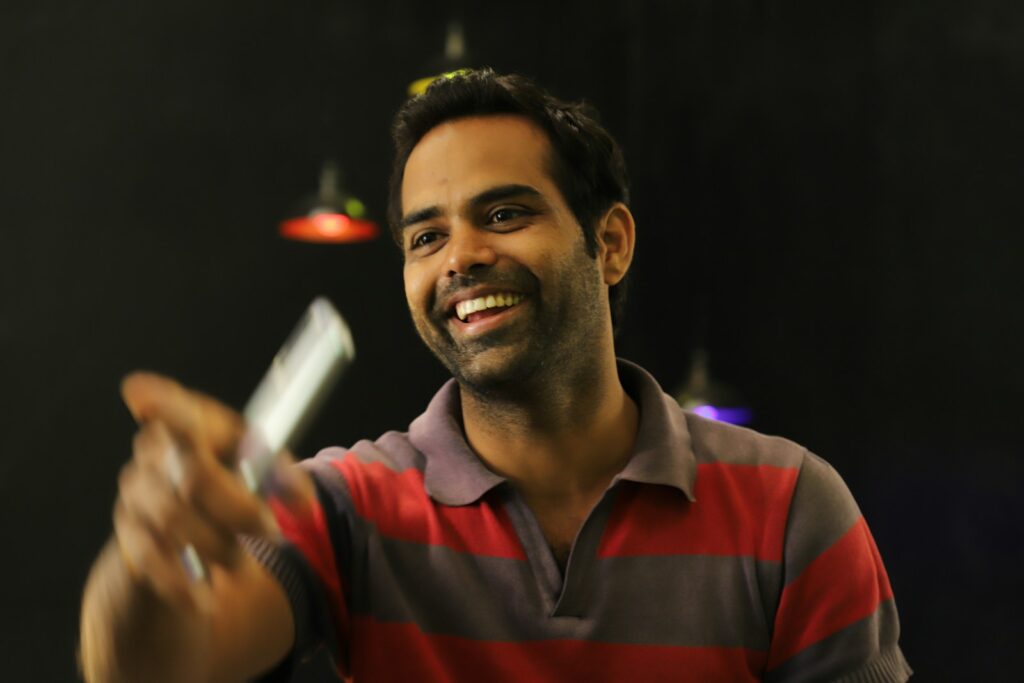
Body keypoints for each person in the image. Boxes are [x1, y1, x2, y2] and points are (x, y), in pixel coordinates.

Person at [79, 69, 912, 682]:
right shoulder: (341, 506)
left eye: (505, 214)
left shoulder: (795, 509)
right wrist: (145, 567)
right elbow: (154, 669)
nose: (463, 258)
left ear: (611, 242)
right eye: (425, 237)